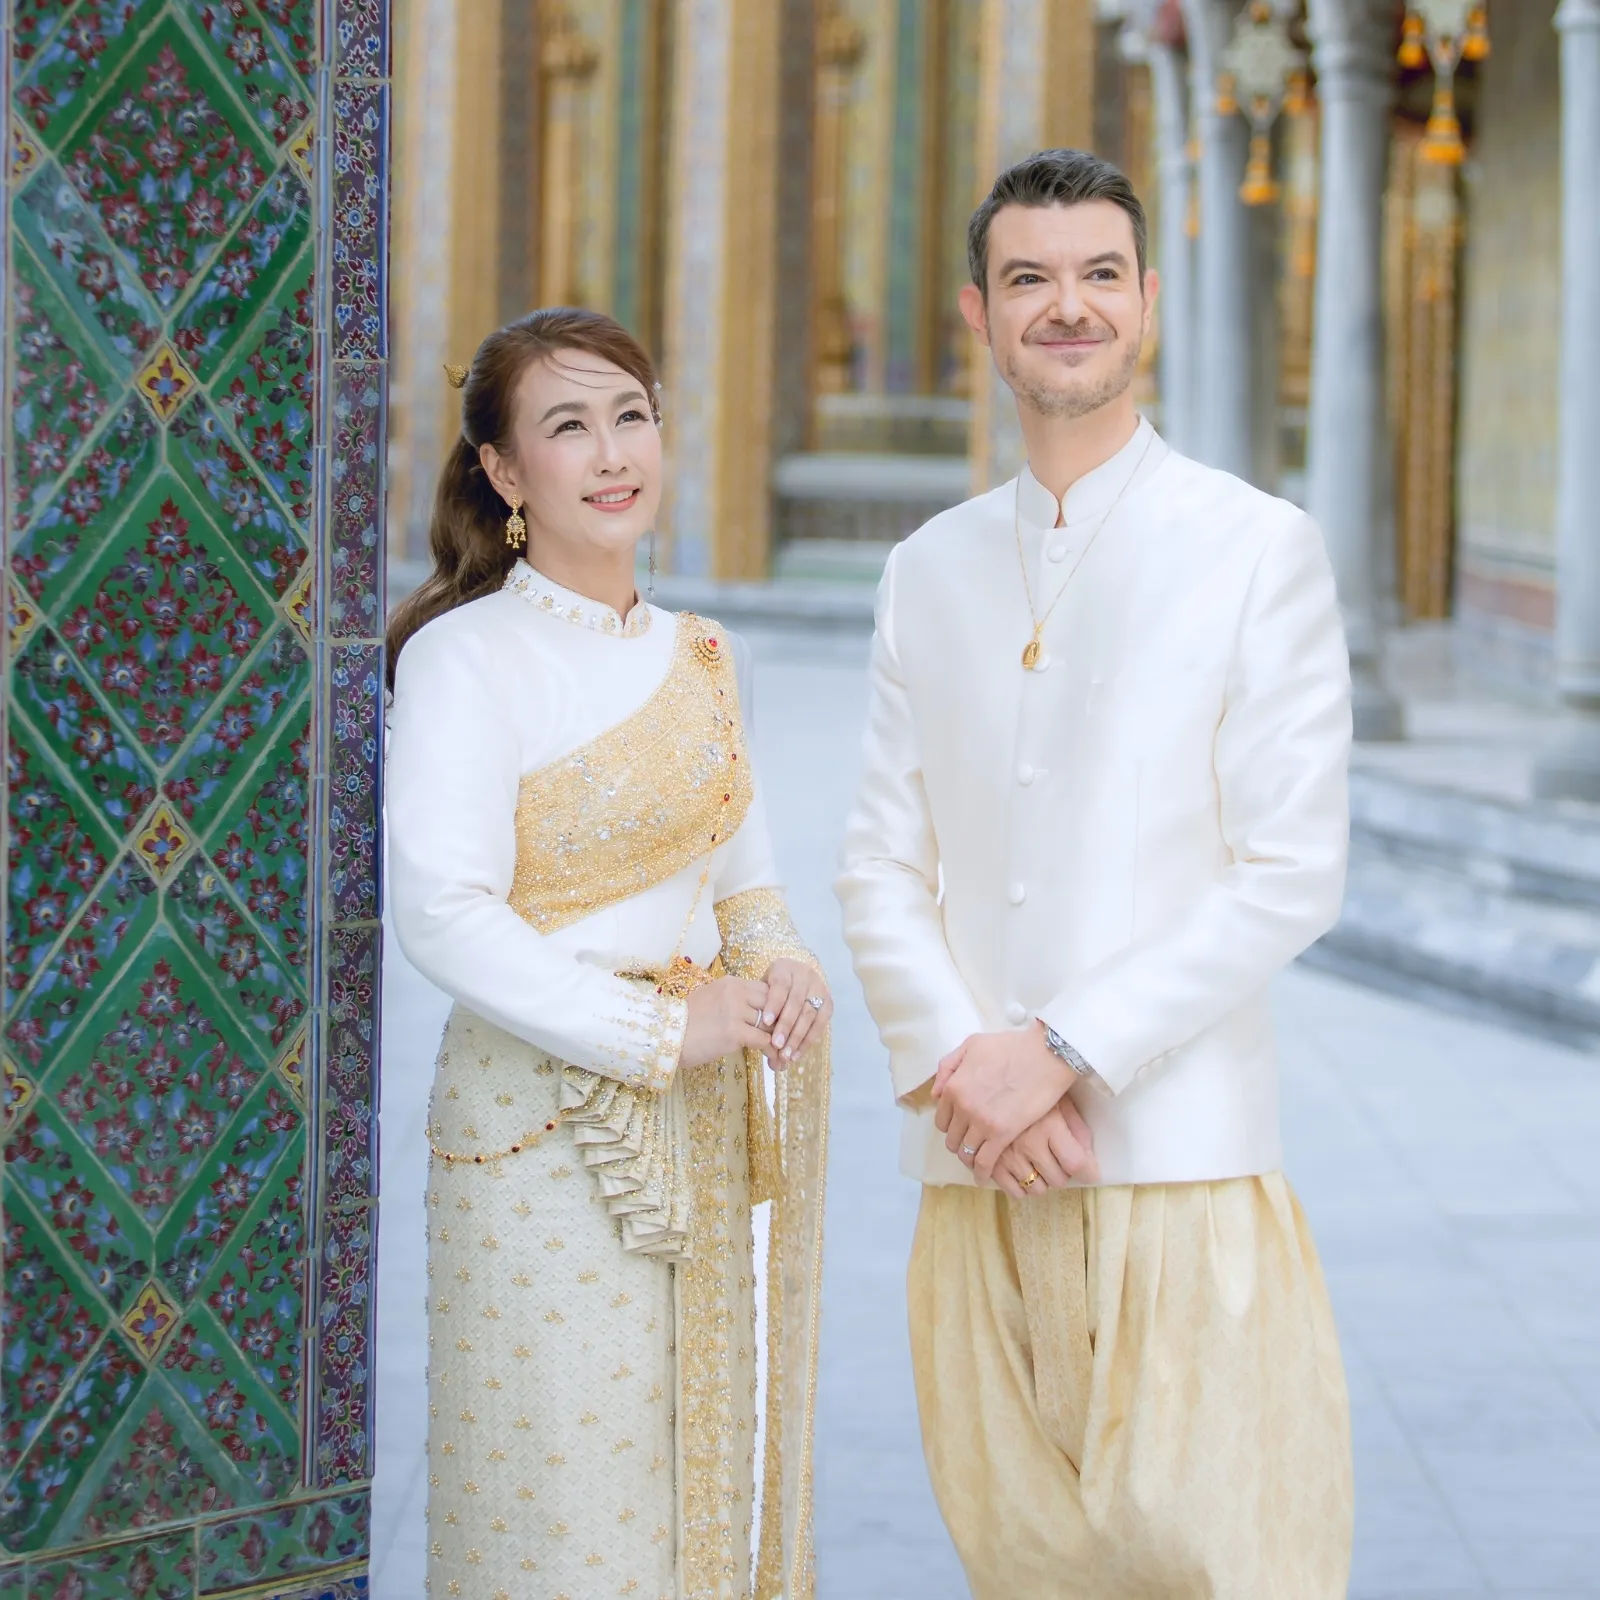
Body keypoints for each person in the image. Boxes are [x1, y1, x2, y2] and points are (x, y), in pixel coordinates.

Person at [835, 148, 1354, 1596]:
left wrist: (1060, 1051)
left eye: (1100, 275)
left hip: (1178, 1164)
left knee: (1232, 1569)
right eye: (1030, 279)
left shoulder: (1256, 548)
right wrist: (967, 1069)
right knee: (1019, 1569)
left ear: (1149, 304)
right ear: (978, 314)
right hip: (976, 1173)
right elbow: (879, 859)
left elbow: (1291, 869)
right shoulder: (925, 569)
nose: (1069, 306)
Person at [385, 307, 832, 1600]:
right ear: (506, 474)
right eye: (567, 427)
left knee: (697, 1495)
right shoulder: (466, 660)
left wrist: (784, 965)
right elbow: (442, 911)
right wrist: (655, 1030)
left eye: (630, 414)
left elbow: (742, 879)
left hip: (697, 1134)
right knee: (566, 1515)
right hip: (538, 1133)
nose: (611, 451)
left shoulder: (707, 657)